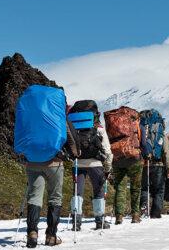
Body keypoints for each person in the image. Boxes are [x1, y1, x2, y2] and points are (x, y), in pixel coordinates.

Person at [25, 116, 79, 247]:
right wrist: (75, 153)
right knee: (55, 198)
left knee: (34, 197)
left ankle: (32, 233)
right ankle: (51, 236)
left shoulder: (30, 109)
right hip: (54, 162)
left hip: (33, 161)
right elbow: (70, 134)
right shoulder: (57, 112)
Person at [68, 101, 113, 231]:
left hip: (77, 163)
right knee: (98, 191)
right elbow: (107, 151)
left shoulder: (73, 126)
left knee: (77, 192)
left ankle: (76, 221)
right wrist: (107, 169)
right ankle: (100, 221)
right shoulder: (99, 129)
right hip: (96, 164)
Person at [112, 118, 149, 224]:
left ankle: (119, 215)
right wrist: (146, 155)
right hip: (134, 159)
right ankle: (135, 215)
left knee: (120, 187)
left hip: (118, 159)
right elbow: (143, 144)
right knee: (135, 187)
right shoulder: (138, 126)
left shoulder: (115, 126)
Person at [140, 120, 169, 218]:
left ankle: (143, 208)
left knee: (145, 188)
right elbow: (167, 153)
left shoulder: (143, 133)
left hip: (145, 165)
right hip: (159, 165)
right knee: (159, 190)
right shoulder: (161, 135)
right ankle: (155, 213)